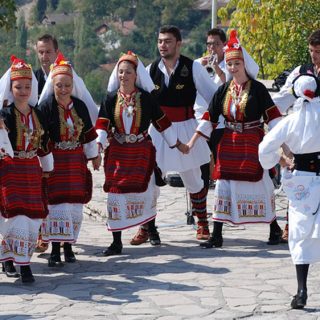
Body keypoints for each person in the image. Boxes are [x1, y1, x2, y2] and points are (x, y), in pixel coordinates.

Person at [187, 30, 283, 248]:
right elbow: (209, 117)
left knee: (262, 184)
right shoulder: (223, 90)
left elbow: (273, 117)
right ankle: (217, 234)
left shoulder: (257, 89)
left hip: (252, 142)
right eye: (229, 65)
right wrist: (192, 142)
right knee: (223, 184)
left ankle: (274, 228)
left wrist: (283, 147)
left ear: (244, 64)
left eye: (236, 64)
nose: (232, 68)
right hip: (229, 142)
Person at [130, 25, 217, 246]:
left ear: (178, 44)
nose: (162, 45)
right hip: (158, 130)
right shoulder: (150, 70)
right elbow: (140, 100)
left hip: (186, 127)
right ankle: (146, 226)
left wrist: (205, 128)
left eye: (167, 41)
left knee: (193, 178)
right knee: (150, 179)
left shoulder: (193, 67)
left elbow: (214, 98)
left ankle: (202, 222)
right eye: (160, 41)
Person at [96, 51, 186, 256]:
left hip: (141, 150)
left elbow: (162, 123)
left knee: (147, 191)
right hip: (118, 151)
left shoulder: (146, 99)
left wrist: (177, 144)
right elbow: (102, 124)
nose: (123, 76)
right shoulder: (110, 99)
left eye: (128, 72)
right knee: (115, 196)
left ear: (136, 75)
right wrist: (98, 148)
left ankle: (151, 230)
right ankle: (116, 241)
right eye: (120, 72)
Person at [259, 74, 320, 309]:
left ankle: (302, 291)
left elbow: (264, 149)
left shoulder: (291, 121)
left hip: (303, 180)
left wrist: (280, 159)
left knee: (301, 233)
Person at [37, 53, 99, 267]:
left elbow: (89, 133)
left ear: (73, 85)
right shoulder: (45, 107)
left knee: (73, 206)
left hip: (75, 162)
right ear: (53, 85)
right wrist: (44, 164)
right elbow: (41, 137)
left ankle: (69, 246)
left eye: (67, 85)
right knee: (56, 207)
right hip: (55, 163)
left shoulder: (79, 106)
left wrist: (94, 155)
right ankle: (55, 249)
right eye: (59, 85)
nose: (63, 89)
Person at [0, 56, 53, 282]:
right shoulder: (5, 115)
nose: (23, 90)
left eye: (27, 87)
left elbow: (44, 142)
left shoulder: (37, 112)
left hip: (32, 169)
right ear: (11, 89)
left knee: (32, 218)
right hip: (11, 170)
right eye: (18, 86)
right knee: (15, 216)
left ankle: (14, 257)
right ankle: (19, 263)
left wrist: (48, 167)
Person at [271, 29, 320, 243]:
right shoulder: (300, 72)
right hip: (300, 139)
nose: (314, 56)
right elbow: (282, 99)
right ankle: (292, 225)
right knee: (296, 184)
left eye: (318, 51)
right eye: (311, 51)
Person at [195, 28, 227, 191]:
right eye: (209, 44)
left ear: (224, 45)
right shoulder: (199, 63)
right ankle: (200, 205)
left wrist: (217, 69)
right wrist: (198, 69)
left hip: (221, 122)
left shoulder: (231, 63)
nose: (212, 48)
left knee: (222, 163)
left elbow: (231, 83)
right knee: (201, 164)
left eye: (216, 44)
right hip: (200, 118)